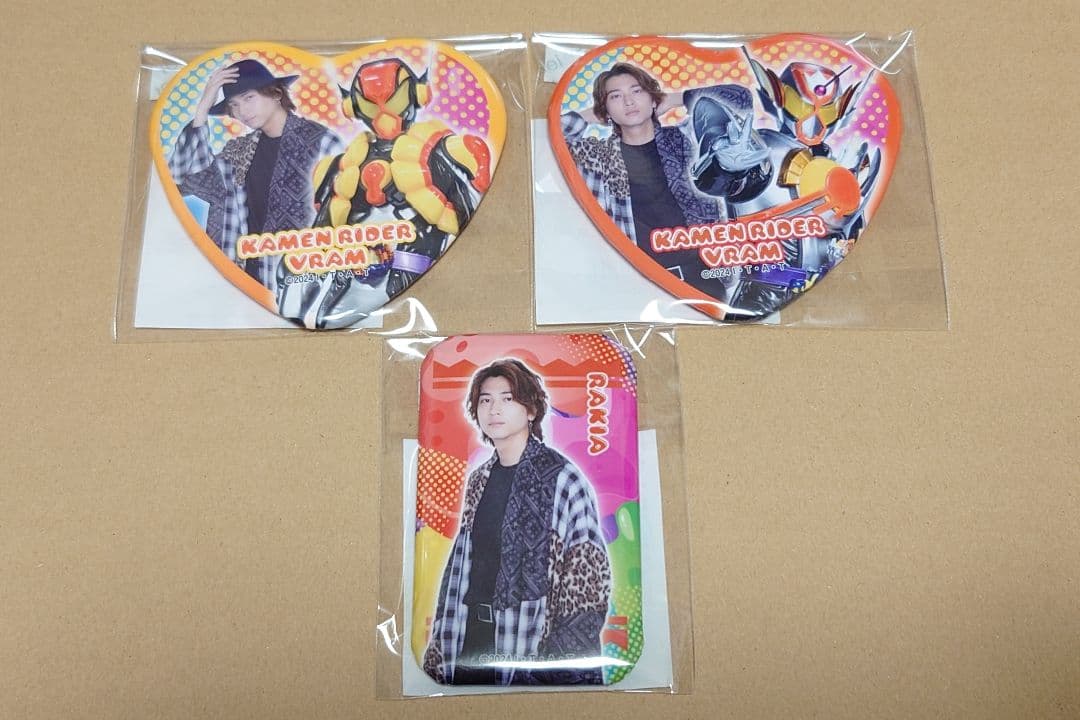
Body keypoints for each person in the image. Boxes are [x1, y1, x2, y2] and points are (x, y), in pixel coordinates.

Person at [423, 359, 612, 686]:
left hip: (529, 643)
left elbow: (589, 576)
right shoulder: (480, 479)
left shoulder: (562, 479)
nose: (494, 409)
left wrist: (559, 663)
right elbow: (462, 565)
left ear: (531, 410)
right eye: (485, 400)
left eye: (508, 399)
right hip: (468, 634)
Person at [560, 63, 754, 293]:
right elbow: (552, 133)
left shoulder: (687, 139)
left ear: (652, 99)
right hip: (639, 281)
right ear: (606, 110)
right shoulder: (599, 158)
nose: (628, 101)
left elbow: (741, 99)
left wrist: (672, 99)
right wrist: (597, 114)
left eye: (637, 91)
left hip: (703, 273)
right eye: (615, 96)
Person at [167, 59, 343, 288]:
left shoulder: (321, 142)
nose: (242, 111)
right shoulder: (239, 152)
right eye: (234, 105)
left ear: (276, 93)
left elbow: (346, 212)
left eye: (249, 98)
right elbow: (183, 177)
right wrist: (203, 109)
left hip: (301, 279)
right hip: (242, 277)